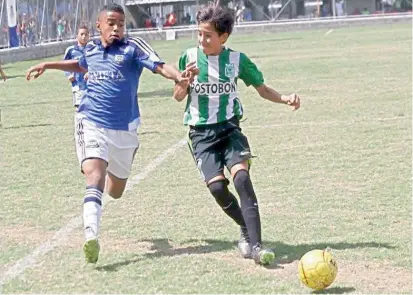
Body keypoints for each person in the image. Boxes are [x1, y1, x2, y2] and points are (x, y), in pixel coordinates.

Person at [26, 3, 197, 264]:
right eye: (111, 24)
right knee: (94, 174)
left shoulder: (133, 47)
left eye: (121, 24)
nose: (116, 28)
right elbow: (79, 65)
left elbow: (161, 66)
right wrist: (48, 65)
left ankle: (105, 177)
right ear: (99, 26)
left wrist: (179, 77)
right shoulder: (91, 49)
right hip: (90, 120)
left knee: (115, 191)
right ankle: (91, 237)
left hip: (125, 130)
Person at [173, 4, 300, 266]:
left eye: (208, 35)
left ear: (224, 37)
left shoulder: (237, 60)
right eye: (200, 34)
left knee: (242, 179)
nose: (202, 40)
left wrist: (285, 98)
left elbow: (262, 89)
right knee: (218, 188)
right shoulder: (188, 57)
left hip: (230, 129)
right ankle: (245, 226)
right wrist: (184, 82)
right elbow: (177, 96)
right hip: (201, 135)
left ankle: (256, 246)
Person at [63, 25, 90, 109]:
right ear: (77, 36)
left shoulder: (93, 49)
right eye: (81, 34)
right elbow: (64, 64)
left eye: (86, 34)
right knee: (79, 109)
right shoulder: (71, 50)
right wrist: (68, 75)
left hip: (92, 85)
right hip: (77, 84)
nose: (84, 36)